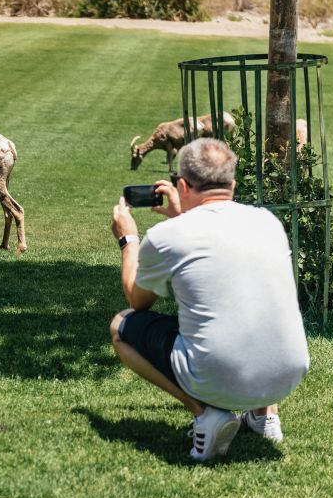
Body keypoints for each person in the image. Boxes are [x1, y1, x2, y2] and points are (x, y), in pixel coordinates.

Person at [109, 138, 309, 462]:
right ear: (231, 183)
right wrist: (181, 216)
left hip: (216, 374)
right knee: (252, 300)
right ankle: (263, 415)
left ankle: (205, 414)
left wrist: (128, 239)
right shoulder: (268, 222)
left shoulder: (167, 236)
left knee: (121, 325)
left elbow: (137, 299)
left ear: (183, 184)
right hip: (287, 374)